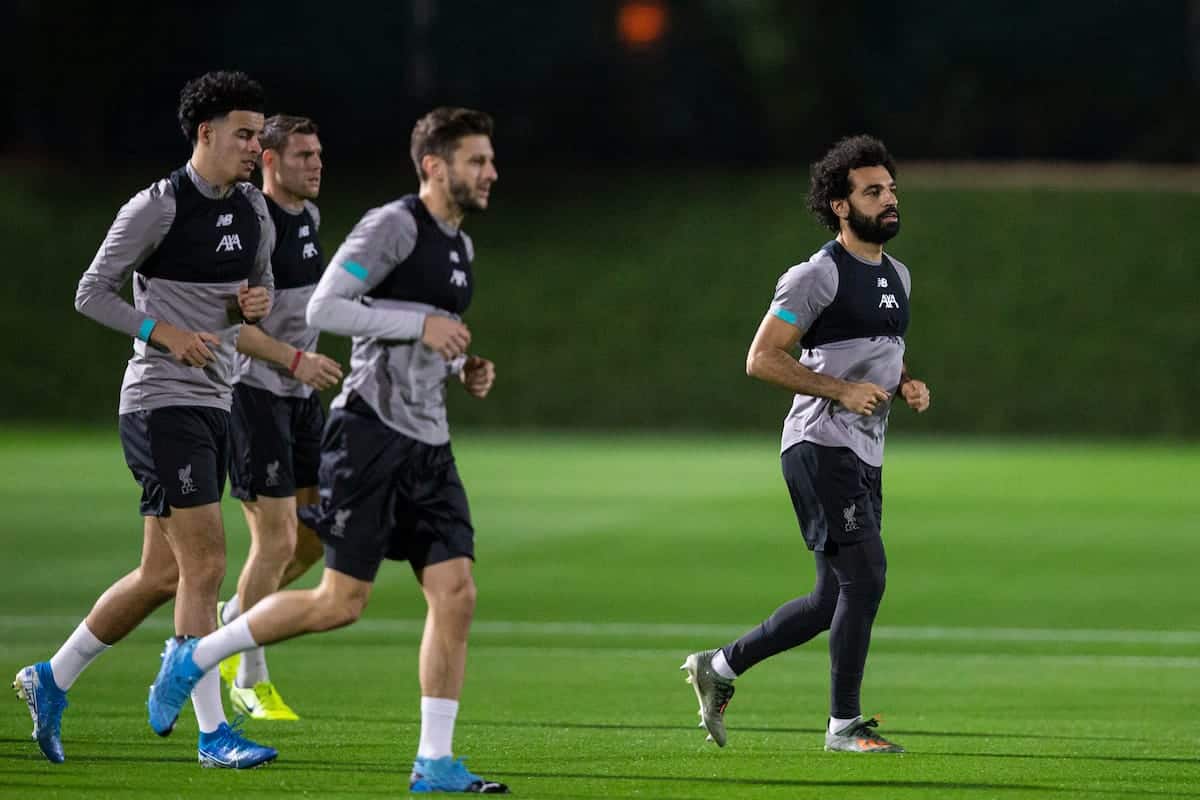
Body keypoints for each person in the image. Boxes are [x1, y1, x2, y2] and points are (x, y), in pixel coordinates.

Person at [147, 107, 508, 793]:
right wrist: (421, 324)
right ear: (434, 166)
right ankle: (196, 658)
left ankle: (433, 763)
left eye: (489, 161)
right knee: (340, 602)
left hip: (429, 441)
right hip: (371, 433)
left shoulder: (460, 247)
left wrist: (464, 365)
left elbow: (435, 331)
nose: (490, 173)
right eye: (477, 161)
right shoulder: (394, 225)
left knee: (456, 593)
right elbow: (326, 310)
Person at [12, 71, 326, 769]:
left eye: (257, 133)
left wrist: (252, 304)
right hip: (161, 400)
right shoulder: (155, 207)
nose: (254, 146)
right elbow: (89, 292)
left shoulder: (252, 209)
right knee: (207, 564)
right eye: (243, 134)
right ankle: (214, 735)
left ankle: (51, 677)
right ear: (205, 134)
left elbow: (257, 298)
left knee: (160, 575)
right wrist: (161, 332)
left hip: (215, 400)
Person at [681, 135, 932, 754]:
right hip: (820, 444)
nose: (889, 199)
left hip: (863, 450)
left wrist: (906, 383)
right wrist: (840, 391)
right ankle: (843, 727)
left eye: (891, 189)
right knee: (866, 578)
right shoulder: (815, 275)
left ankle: (720, 667)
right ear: (841, 206)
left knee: (830, 598)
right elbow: (762, 358)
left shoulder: (897, 275)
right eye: (873, 191)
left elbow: (876, 354)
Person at [219, 114, 342, 721]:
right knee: (274, 540)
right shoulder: (250, 224)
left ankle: (234, 617)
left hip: (299, 397)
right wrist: (298, 361)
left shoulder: (311, 219)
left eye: (319, 154)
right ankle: (248, 673)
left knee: (316, 536)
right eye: (302, 155)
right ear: (268, 160)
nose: (316, 164)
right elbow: (231, 329)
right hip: (255, 393)